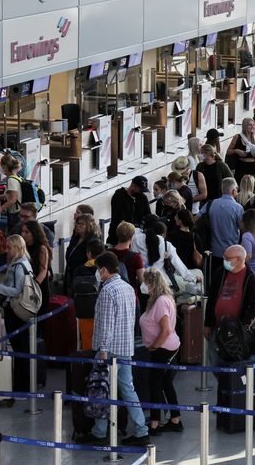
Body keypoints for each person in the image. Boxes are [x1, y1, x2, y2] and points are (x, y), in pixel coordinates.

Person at [79, 251, 149, 446]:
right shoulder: (127, 287)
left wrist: (102, 350)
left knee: (100, 389)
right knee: (128, 389)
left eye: (97, 270)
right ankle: (141, 430)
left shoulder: (108, 291)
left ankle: (100, 432)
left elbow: (107, 323)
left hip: (109, 350)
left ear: (103, 270)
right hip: (126, 346)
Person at [139, 268, 183, 435]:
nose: (143, 285)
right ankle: (175, 419)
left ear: (151, 283)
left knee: (155, 384)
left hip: (163, 349)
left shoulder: (161, 302)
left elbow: (165, 329)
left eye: (145, 282)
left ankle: (155, 423)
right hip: (164, 347)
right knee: (165, 382)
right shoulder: (160, 299)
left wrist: (154, 346)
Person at [203, 245, 255, 365]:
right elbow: (212, 299)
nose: (225, 261)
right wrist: (207, 323)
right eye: (225, 257)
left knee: (235, 364)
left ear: (240, 259)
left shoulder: (250, 277)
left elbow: (254, 307)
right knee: (214, 360)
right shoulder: (220, 272)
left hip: (236, 331)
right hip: (217, 327)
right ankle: (221, 382)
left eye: (228, 258)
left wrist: (243, 326)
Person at [0, 236, 34, 391]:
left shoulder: (18, 266)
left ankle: (21, 384)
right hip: (20, 310)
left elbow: (17, 290)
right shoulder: (24, 263)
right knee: (21, 348)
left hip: (16, 311)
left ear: (17, 248)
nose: (7, 250)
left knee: (20, 349)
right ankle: (21, 383)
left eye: (10, 247)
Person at [199, 177, 243, 269]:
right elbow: (242, 228)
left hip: (213, 251)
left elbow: (196, 219)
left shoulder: (210, 204)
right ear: (234, 190)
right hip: (232, 251)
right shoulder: (238, 208)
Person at [106, 176, 151, 245]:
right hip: (119, 237)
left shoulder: (142, 198)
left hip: (137, 237)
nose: (141, 193)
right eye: (140, 190)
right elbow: (119, 219)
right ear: (133, 186)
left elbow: (148, 215)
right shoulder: (119, 197)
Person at [64, 213, 101, 290]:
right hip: (70, 274)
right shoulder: (75, 238)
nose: (78, 226)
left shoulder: (92, 241)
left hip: (83, 277)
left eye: (82, 224)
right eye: (77, 223)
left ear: (89, 226)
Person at [21, 220, 52, 314]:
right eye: (22, 231)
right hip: (25, 286)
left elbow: (43, 271)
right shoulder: (23, 247)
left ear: (34, 233)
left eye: (27, 232)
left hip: (38, 288)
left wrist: (31, 289)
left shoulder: (41, 248)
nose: (23, 234)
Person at [227, 117, 255, 184]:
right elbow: (228, 151)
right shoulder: (237, 137)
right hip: (241, 167)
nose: (253, 126)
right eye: (250, 125)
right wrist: (236, 151)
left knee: (254, 187)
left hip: (253, 167)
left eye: (253, 125)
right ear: (245, 126)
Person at [0, 154, 23, 233]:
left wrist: (0, 209)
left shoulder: (11, 180)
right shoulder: (16, 176)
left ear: (5, 167)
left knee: (13, 236)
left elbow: (13, 199)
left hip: (15, 215)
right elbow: (15, 194)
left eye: (2, 166)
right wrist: (1, 196)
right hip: (19, 213)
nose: (1, 169)